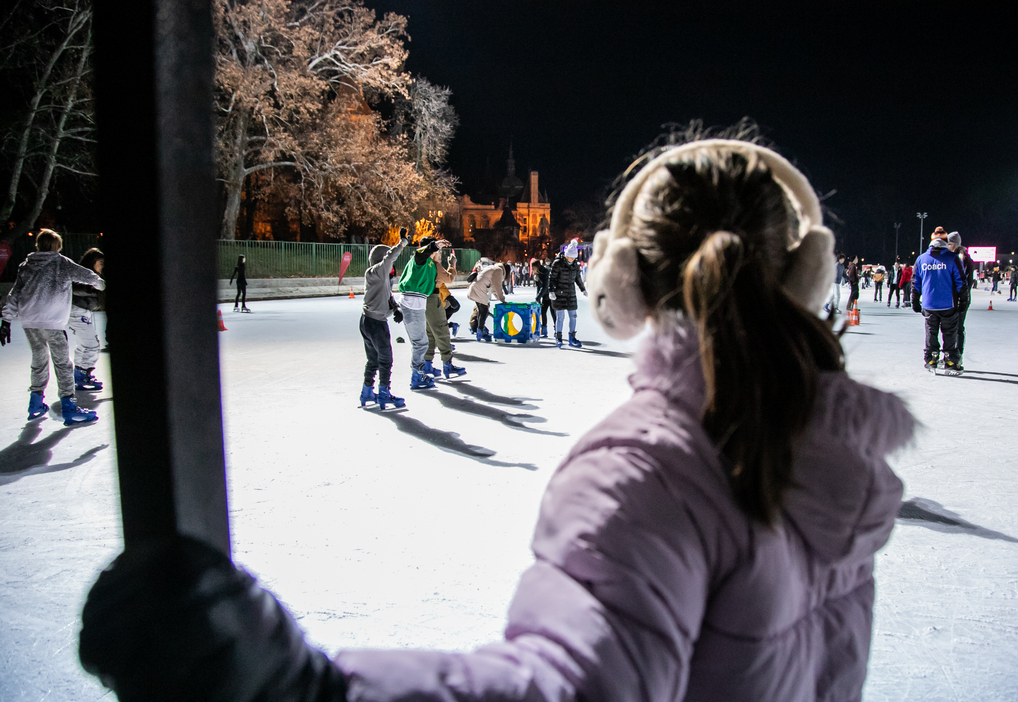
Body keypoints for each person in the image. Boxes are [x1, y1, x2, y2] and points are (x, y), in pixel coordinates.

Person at [78, 138, 915, 701]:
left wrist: (311, 689)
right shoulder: (823, 451)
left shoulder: (650, 467)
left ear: (619, 281)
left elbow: (572, 686)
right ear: (805, 272)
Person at [0, 228, 104, 424]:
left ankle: (35, 403)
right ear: (57, 245)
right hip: (53, 322)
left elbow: (15, 293)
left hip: (30, 322)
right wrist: (101, 283)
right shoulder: (60, 263)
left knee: (39, 360)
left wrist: (6, 320)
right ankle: (69, 408)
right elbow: (86, 275)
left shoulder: (27, 265)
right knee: (63, 364)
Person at [359, 228, 408, 409]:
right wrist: (402, 243)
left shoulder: (379, 276)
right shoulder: (378, 271)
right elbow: (390, 257)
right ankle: (384, 393)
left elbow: (387, 295)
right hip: (376, 323)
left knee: (373, 359)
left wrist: (395, 308)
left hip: (367, 320)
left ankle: (367, 391)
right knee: (385, 359)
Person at [399, 237, 451, 389]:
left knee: (422, 342)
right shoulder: (420, 259)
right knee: (420, 344)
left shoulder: (431, 264)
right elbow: (420, 254)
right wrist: (434, 246)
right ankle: (416, 376)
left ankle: (419, 372)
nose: (438, 251)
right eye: (436, 249)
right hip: (412, 302)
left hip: (418, 302)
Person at [911, 226, 965, 372]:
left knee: (931, 332)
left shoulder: (921, 259)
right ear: (945, 241)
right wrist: (964, 301)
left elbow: (916, 282)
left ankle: (931, 358)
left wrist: (915, 301)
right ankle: (951, 361)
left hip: (929, 305)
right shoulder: (952, 258)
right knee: (949, 333)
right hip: (948, 304)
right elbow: (961, 281)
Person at [422, 241, 466, 380]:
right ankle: (448, 365)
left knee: (429, 333)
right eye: (439, 252)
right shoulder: (435, 266)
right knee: (442, 331)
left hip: (422, 300)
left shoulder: (423, 264)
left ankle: (427, 364)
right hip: (433, 300)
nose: (440, 255)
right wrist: (452, 264)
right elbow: (449, 278)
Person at [68, 247, 106, 391]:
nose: (102, 265)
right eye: (100, 262)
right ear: (92, 261)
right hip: (77, 312)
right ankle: (83, 374)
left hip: (81, 312)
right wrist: (91, 289)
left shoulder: (92, 276)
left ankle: (79, 374)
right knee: (92, 345)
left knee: (84, 345)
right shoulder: (83, 274)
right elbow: (74, 287)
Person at [548, 238, 587, 347]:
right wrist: (551, 291)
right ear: (566, 255)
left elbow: (578, 278)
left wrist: (583, 289)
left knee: (573, 316)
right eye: (570, 257)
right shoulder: (557, 263)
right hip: (559, 293)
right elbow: (552, 278)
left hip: (571, 293)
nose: (572, 259)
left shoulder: (574, 264)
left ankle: (572, 337)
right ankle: (559, 337)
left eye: (574, 257)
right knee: (560, 317)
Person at [947, 232, 975, 368]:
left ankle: (957, 356)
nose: (947, 246)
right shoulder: (948, 258)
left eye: (950, 244)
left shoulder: (964, 259)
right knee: (948, 328)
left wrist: (962, 298)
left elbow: (967, 283)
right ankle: (949, 355)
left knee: (958, 327)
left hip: (960, 299)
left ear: (956, 244)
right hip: (948, 299)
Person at [467, 257, 507, 342]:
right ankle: (480, 331)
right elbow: (498, 286)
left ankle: (479, 330)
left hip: (475, 287)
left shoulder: (493, 268)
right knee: (483, 310)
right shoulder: (499, 270)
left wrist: (497, 296)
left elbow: (492, 286)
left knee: (481, 311)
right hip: (479, 289)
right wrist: (502, 299)